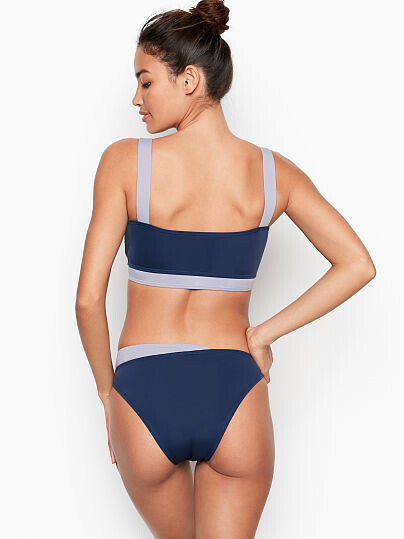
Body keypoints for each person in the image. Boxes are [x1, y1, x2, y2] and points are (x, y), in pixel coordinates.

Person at [75, 0, 376, 537]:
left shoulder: (124, 162)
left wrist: (106, 393)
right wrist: (261, 335)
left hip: (144, 390)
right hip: (234, 389)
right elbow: (357, 264)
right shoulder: (274, 174)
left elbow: (87, 300)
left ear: (189, 80)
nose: (137, 99)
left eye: (146, 82)